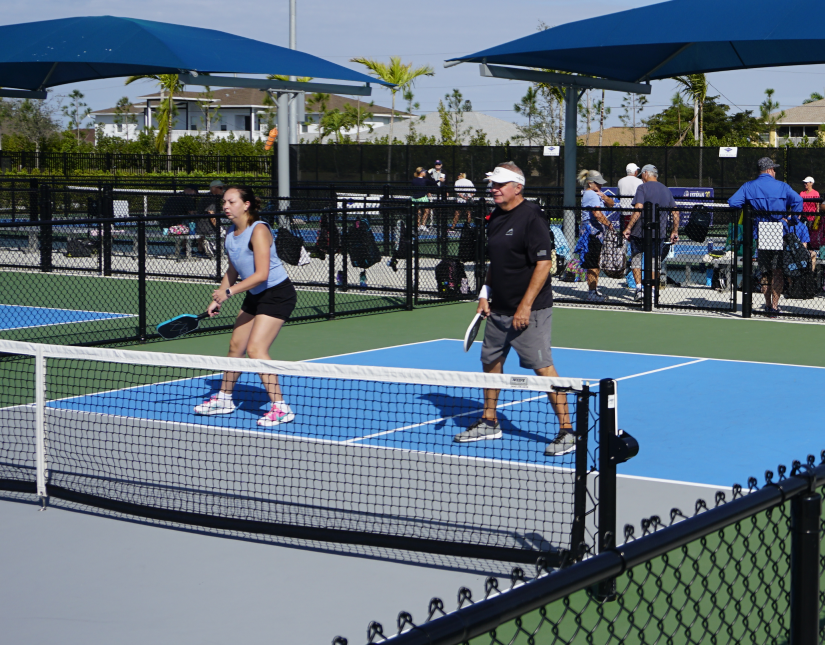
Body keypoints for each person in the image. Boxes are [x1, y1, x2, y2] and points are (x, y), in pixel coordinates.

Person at [453, 162, 574, 457]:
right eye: (492, 184)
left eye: (499, 184)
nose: (493, 188)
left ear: (517, 187)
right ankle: (490, 421)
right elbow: (497, 262)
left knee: (542, 367)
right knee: (490, 362)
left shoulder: (532, 217)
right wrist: (485, 293)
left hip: (530, 311)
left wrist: (525, 306)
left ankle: (568, 431)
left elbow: (543, 265)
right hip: (498, 309)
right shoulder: (494, 216)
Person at [193, 185, 298, 427]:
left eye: (231, 202)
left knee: (256, 349)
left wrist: (229, 292)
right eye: (224, 203)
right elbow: (233, 269)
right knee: (236, 346)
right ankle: (224, 398)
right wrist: (218, 298)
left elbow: (261, 274)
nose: (226, 207)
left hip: (277, 294)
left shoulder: (258, 231)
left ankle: (281, 408)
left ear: (246, 204)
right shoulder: (231, 233)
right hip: (254, 294)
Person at [728, 157, 803, 313]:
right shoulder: (782, 186)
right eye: (774, 169)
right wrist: (793, 219)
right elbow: (798, 200)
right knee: (778, 271)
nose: (775, 172)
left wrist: (752, 209)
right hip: (778, 229)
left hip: (761, 230)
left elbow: (733, 202)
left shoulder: (749, 186)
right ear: (769, 170)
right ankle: (774, 306)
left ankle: (767, 304)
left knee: (765, 270)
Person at [623, 164, 679, 302]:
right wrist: (674, 231)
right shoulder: (666, 190)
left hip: (640, 231)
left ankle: (639, 289)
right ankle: (653, 290)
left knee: (636, 258)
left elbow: (638, 208)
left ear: (646, 174)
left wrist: (628, 227)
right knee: (655, 261)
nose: (642, 178)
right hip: (659, 233)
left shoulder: (642, 188)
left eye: (642, 174)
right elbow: (676, 212)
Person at [578, 169, 615, 303]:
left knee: (595, 263)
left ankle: (593, 291)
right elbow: (597, 214)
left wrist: (604, 196)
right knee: (593, 264)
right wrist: (609, 225)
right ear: (590, 183)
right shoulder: (591, 195)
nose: (601, 186)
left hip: (595, 234)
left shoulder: (596, 194)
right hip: (592, 234)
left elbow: (612, 204)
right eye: (598, 184)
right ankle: (592, 292)